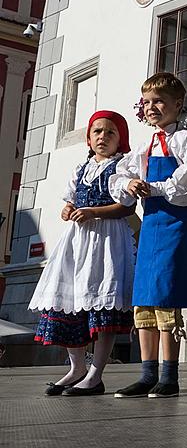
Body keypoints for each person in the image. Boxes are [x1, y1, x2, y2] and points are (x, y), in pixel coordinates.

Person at [110, 72, 187, 399]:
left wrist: (152, 187)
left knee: (166, 299)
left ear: (177, 104)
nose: (152, 107)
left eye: (159, 102)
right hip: (152, 225)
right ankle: (146, 373)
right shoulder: (145, 145)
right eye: (147, 102)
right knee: (144, 302)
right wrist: (129, 184)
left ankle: (169, 376)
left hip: (175, 223)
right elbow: (122, 173)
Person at [29, 110, 136, 396]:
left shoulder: (122, 167)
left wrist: (92, 212)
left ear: (120, 140)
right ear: (89, 138)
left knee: (103, 305)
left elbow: (126, 207)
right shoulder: (80, 169)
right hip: (78, 241)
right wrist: (68, 209)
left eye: (110, 132)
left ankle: (96, 373)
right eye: (97, 131)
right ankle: (76, 367)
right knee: (71, 299)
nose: (103, 137)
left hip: (107, 240)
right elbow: (70, 201)